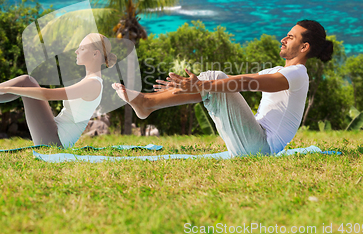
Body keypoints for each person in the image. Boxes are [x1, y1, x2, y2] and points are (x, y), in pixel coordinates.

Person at [113, 20, 334, 157]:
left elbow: (247, 82)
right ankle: (149, 102)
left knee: (216, 78)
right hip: (254, 142)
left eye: (291, 37)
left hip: (261, 148)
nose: (283, 39)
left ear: (304, 47)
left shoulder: (297, 74)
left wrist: (202, 84)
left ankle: (147, 103)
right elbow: (248, 78)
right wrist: (191, 86)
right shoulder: (281, 71)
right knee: (215, 80)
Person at [0, 33, 117, 147]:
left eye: (82, 48)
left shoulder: (92, 83)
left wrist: (10, 88)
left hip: (56, 141)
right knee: (26, 81)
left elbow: (47, 95)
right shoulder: (90, 80)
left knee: (27, 81)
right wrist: (11, 89)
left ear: (96, 54)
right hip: (54, 132)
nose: (76, 51)